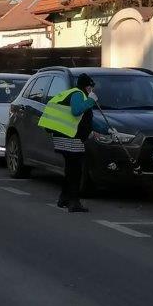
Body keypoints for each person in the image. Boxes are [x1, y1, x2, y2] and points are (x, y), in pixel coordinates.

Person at [38, 73, 110, 212]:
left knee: (71, 169)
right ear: (86, 86)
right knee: (76, 171)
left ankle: (64, 198)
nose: (92, 90)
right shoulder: (78, 95)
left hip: (64, 136)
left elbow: (87, 120)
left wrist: (107, 130)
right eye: (91, 87)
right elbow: (76, 111)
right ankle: (74, 202)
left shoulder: (73, 93)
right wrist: (91, 100)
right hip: (70, 138)